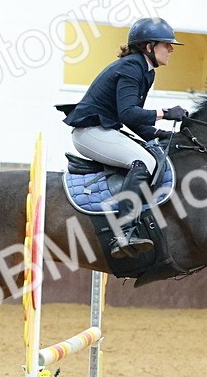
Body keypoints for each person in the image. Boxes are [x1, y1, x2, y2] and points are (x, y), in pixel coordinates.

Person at [63, 17, 189, 259]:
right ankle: (123, 233)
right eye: (166, 44)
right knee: (144, 163)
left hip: (103, 131)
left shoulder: (146, 71)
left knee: (153, 154)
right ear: (148, 47)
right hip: (89, 133)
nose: (171, 49)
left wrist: (162, 134)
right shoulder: (131, 67)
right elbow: (128, 113)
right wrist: (165, 113)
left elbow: (133, 121)